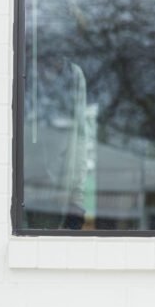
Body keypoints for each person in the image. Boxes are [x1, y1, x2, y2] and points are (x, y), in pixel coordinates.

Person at [23, 56, 88, 230]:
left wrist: (76, 200)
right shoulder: (22, 68)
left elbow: (79, 144)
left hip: (57, 195)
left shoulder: (73, 75)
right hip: (22, 191)